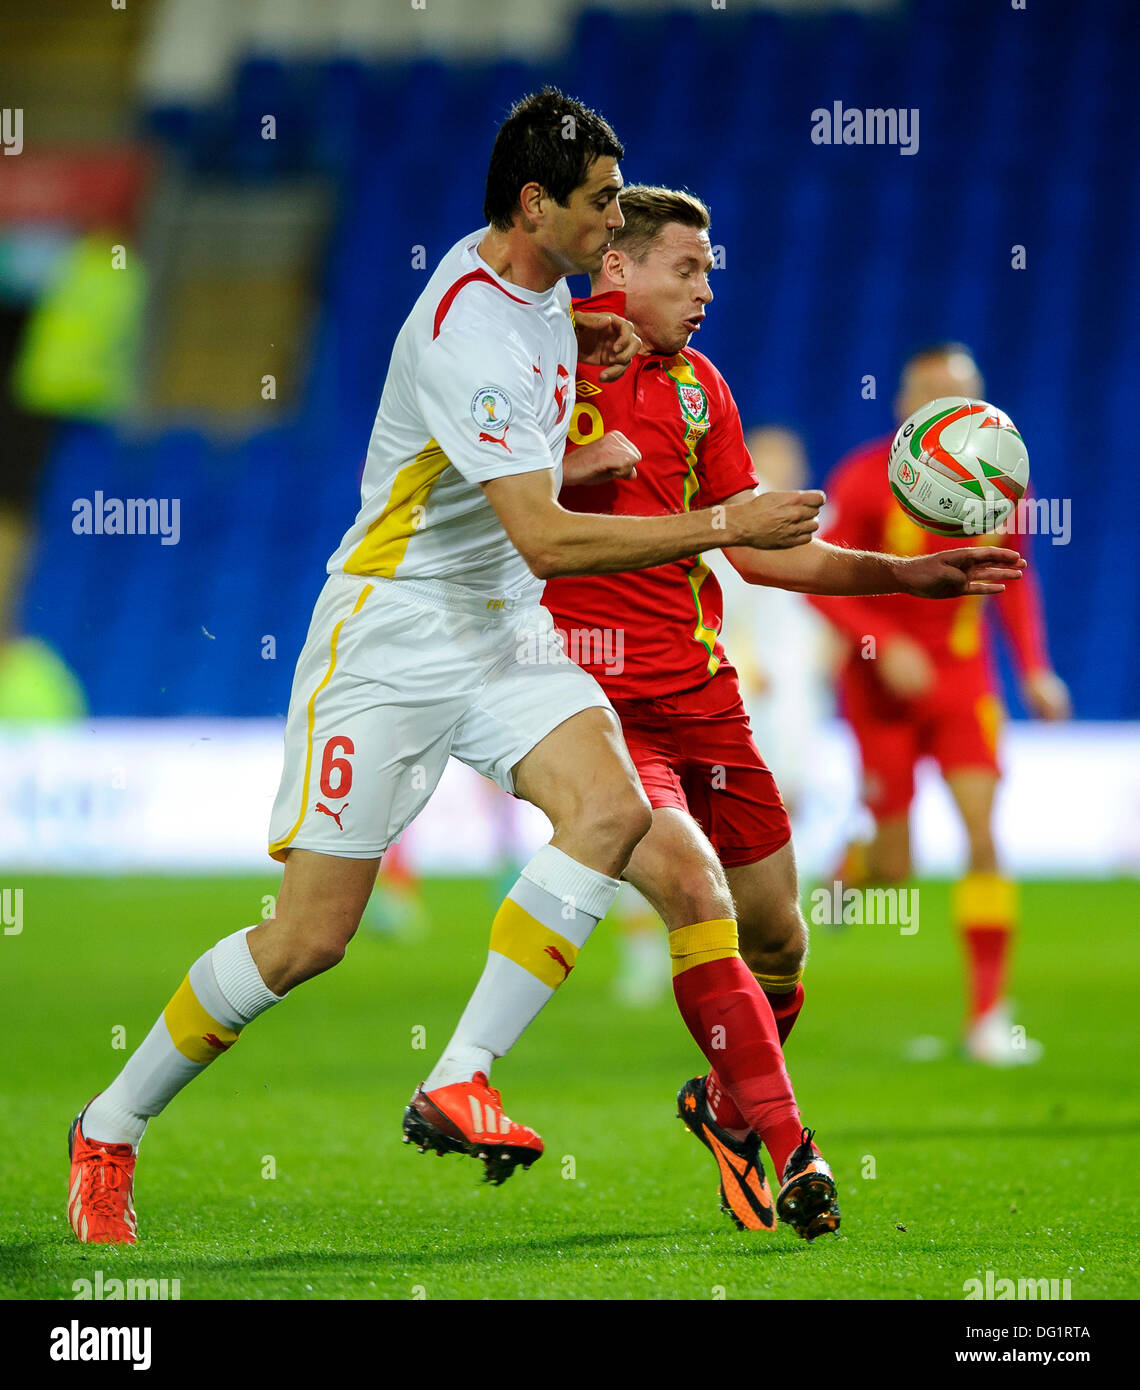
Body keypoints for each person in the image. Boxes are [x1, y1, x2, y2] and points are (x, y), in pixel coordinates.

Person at [66, 89, 829, 1245]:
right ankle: (109, 1126)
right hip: (392, 633)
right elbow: (548, 536)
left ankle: (462, 1073)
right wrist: (726, 524)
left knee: (613, 809)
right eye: (602, 202)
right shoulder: (468, 327)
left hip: (504, 629)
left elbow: (524, 443)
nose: (615, 221)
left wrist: (575, 335)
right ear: (538, 204)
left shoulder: (542, 290)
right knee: (309, 937)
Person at [450, 185, 1026, 1238]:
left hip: (705, 699)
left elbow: (761, 551)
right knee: (693, 889)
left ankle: (721, 1110)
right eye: (689, 269)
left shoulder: (701, 389)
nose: (709, 289)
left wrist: (908, 575)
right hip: (588, 702)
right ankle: (794, 1146)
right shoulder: (536, 363)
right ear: (615, 267)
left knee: (780, 943)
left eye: (711, 269)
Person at [810, 344, 1070, 1065]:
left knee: (984, 836)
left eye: (960, 393)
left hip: (961, 685)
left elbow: (1013, 579)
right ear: (903, 407)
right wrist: (880, 641)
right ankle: (857, 865)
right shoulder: (864, 480)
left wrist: (1037, 670)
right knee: (899, 865)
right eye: (932, 393)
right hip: (878, 690)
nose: (948, 405)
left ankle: (988, 1017)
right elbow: (821, 578)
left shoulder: (998, 484)